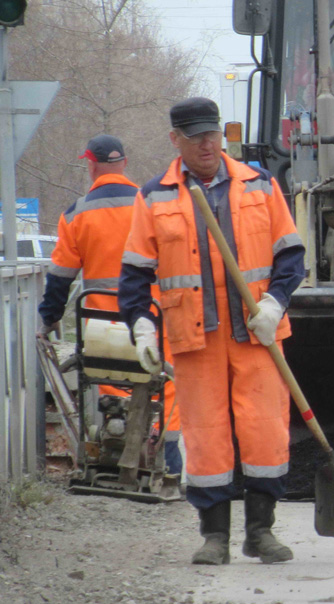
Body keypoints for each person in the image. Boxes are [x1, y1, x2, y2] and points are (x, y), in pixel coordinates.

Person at [117, 98, 306, 565]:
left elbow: (291, 255)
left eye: (212, 133)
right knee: (206, 436)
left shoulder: (260, 185)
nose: (206, 144)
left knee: (265, 431)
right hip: (194, 337)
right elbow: (135, 274)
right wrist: (142, 327)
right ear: (175, 140)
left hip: (257, 333)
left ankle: (260, 532)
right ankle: (214, 536)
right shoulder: (155, 196)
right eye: (195, 136)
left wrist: (273, 303)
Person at [37, 134, 183, 477]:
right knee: (164, 387)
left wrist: (49, 319)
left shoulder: (77, 213)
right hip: (155, 318)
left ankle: (118, 464)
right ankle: (168, 466)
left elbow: (60, 277)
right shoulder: (152, 205)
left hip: (104, 327)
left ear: (91, 165)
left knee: (115, 387)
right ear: (125, 163)